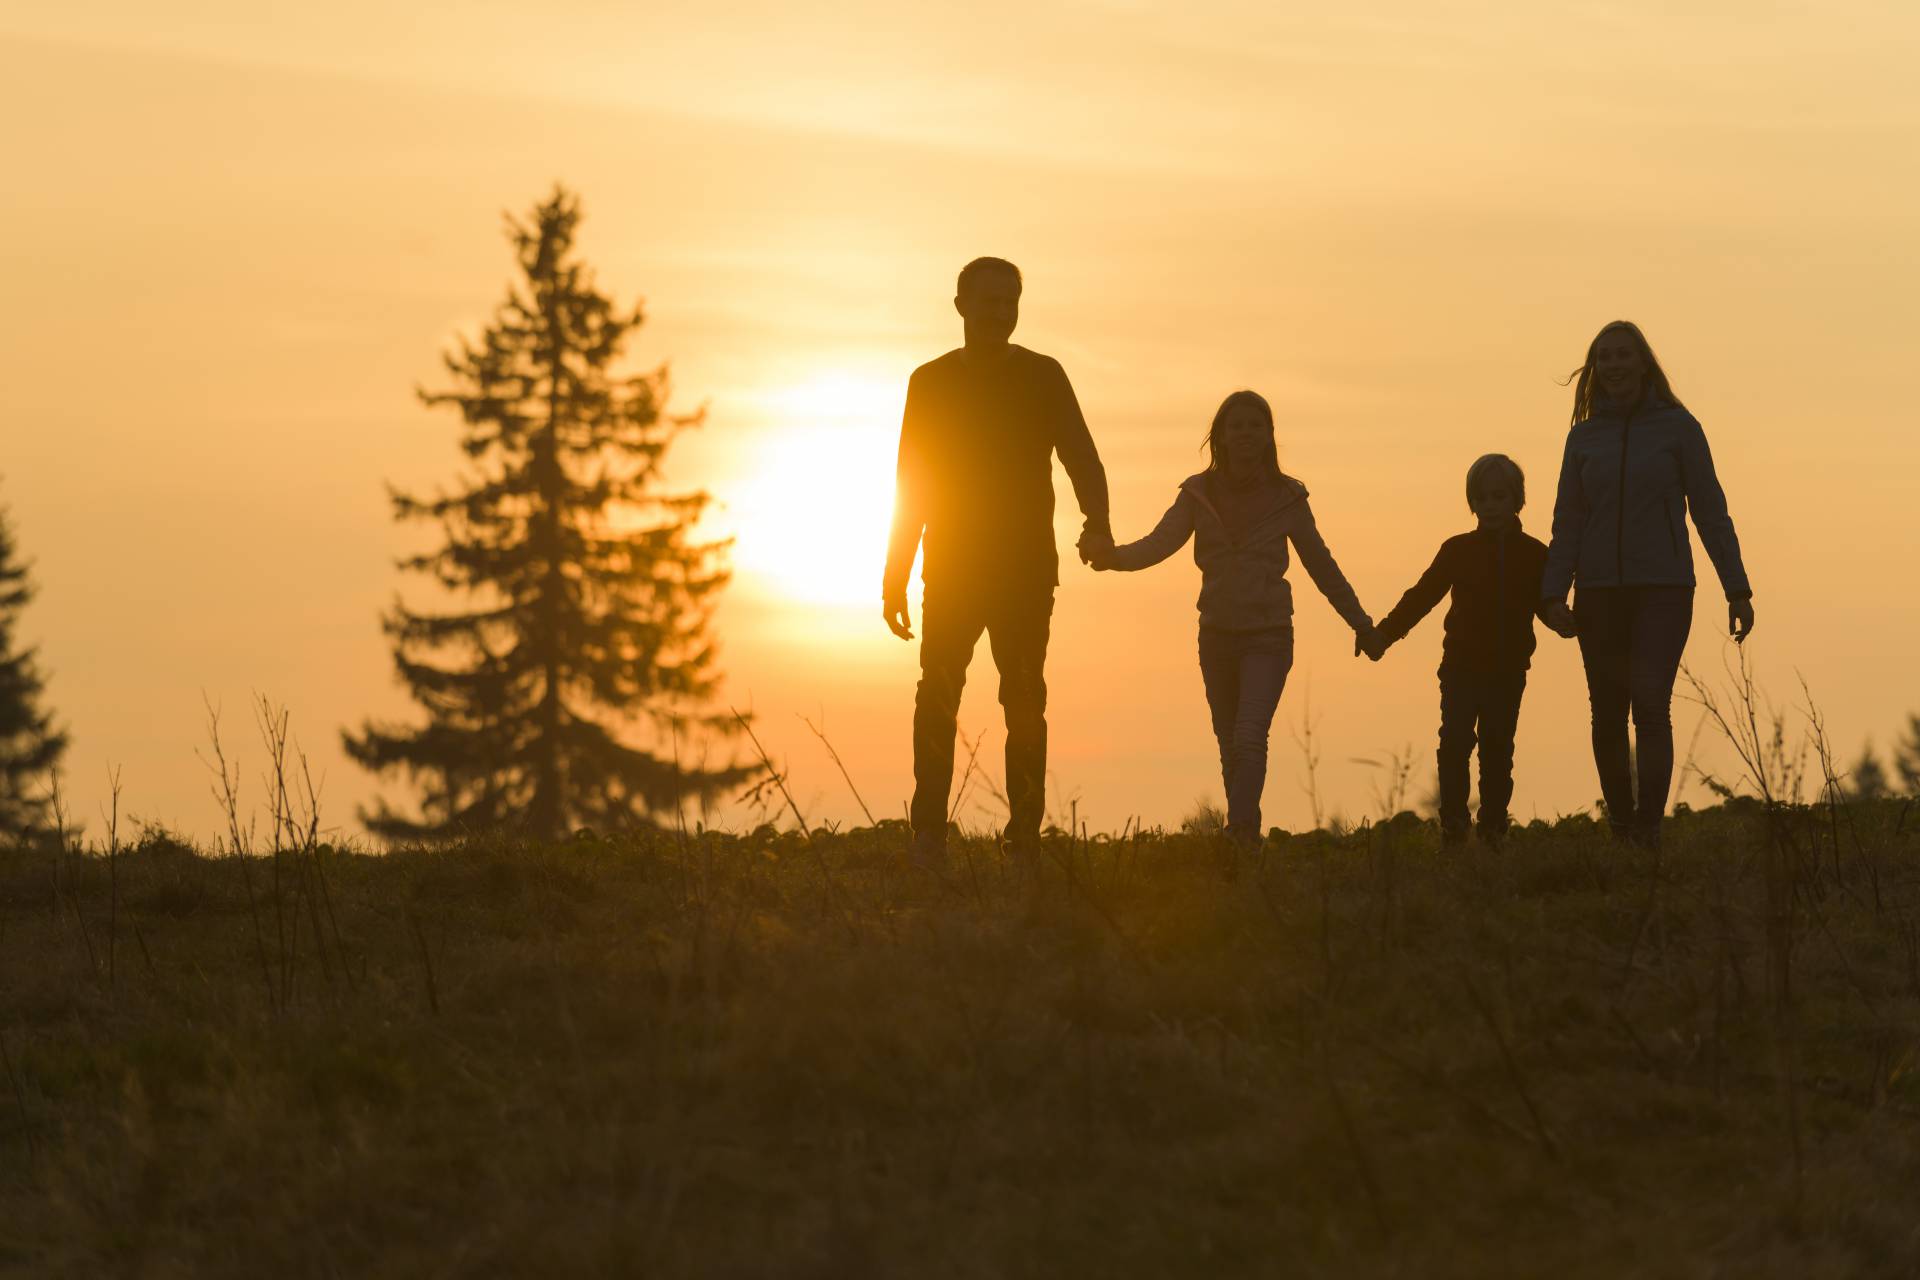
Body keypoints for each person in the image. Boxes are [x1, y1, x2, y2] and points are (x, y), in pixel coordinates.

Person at [883, 257, 1112, 861]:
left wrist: (1099, 521)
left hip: (1025, 572)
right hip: (952, 569)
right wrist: (894, 575)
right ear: (960, 306)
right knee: (937, 695)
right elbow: (912, 484)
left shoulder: (1043, 376)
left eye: (1009, 302)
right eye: (987, 303)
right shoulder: (928, 383)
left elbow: (1082, 457)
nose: (998, 314)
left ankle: (1024, 837)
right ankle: (927, 832)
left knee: (1025, 699)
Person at [1086, 390, 1373, 846]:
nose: (1245, 434)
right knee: (1228, 745)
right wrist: (1112, 559)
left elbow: (1322, 565)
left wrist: (1360, 621)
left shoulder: (1288, 498)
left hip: (1269, 635)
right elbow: (1158, 544)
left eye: (1255, 426)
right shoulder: (1197, 495)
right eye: (1236, 426)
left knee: (1248, 733)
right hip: (1216, 635)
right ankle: (1245, 840)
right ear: (1219, 435)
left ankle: (1239, 834)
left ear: (1268, 436)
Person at [1541, 320, 1754, 847]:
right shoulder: (1583, 437)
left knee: (1650, 703)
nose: (1613, 365)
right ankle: (1622, 829)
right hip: (1598, 592)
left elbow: (1710, 511)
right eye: (1604, 357)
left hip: (1663, 587)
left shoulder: (1680, 428)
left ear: (1643, 363)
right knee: (1607, 709)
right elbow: (1567, 520)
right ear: (1596, 368)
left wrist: (1738, 587)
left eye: (1623, 355)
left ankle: (1649, 829)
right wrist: (1551, 592)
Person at [1364, 454, 1572, 845]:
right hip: (1460, 667)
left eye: (1499, 496)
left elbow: (1544, 604)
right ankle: (1454, 828)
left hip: (1508, 671)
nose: (1491, 505)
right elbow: (1422, 597)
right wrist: (1384, 635)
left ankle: (1493, 828)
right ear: (1471, 503)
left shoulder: (1534, 553)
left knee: (1497, 749)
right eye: (1482, 497)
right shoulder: (1457, 550)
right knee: (1455, 744)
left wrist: (1563, 620)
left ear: (1517, 500)